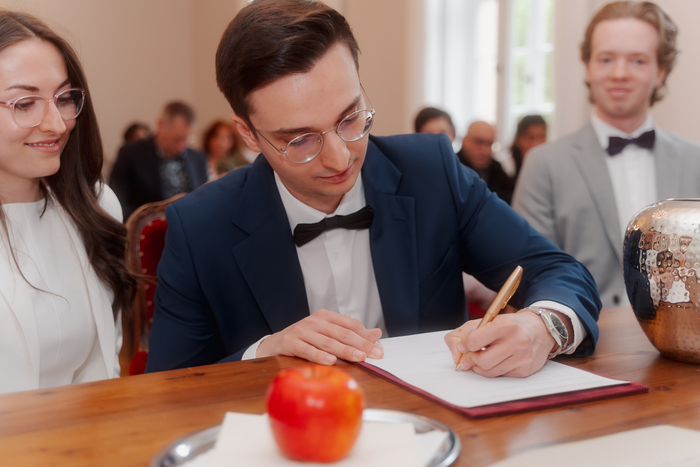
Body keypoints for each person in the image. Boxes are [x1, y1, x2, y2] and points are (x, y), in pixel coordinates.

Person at [146, 0, 601, 379]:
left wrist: (543, 327)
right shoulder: (200, 226)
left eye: (350, 118)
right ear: (247, 133)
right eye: (300, 139)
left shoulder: (431, 172)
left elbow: (558, 271)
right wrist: (262, 354)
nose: (340, 158)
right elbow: (167, 389)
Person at [513, 1, 700, 309]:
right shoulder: (543, 165)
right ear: (587, 67)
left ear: (660, 72)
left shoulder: (695, 161)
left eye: (638, 60)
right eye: (606, 59)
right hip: (583, 337)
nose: (619, 73)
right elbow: (531, 275)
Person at [0, 10, 135, 394]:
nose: (57, 124)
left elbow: (105, 366)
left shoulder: (95, 205)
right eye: (24, 103)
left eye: (63, 98)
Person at [109, 101, 207, 220]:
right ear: (160, 125)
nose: (182, 146)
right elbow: (117, 198)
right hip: (146, 226)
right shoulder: (131, 154)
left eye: (186, 139)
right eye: (177, 139)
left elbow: (203, 198)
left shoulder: (197, 158)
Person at [457, 120, 514, 204]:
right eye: (479, 142)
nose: (485, 151)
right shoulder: (453, 167)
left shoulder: (495, 167)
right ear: (464, 141)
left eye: (490, 144)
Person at [500, 115, 547, 179]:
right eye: (531, 138)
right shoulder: (506, 165)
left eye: (542, 137)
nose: (537, 144)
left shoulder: (547, 164)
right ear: (518, 139)